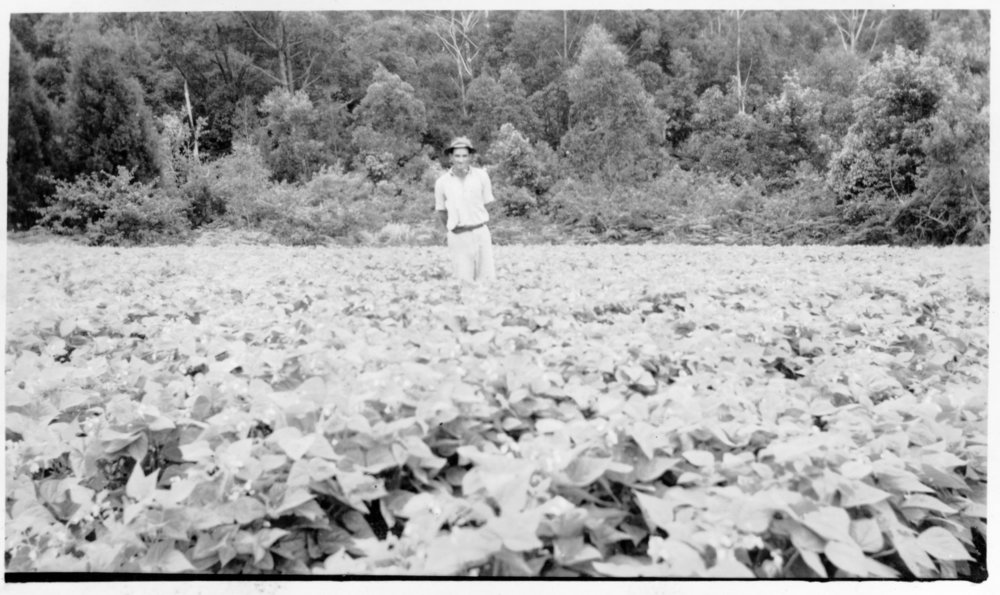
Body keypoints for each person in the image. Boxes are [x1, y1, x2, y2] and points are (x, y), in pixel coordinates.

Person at [434, 136, 497, 283]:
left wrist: (480, 224)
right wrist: (452, 227)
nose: (460, 160)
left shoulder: (482, 176)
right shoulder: (442, 182)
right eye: (457, 156)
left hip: (481, 232)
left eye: (464, 156)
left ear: (470, 157)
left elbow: (489, 204)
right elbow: (441, 211)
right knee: (463, 280)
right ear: (450, 157)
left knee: (487, 279)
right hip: (458, 236)